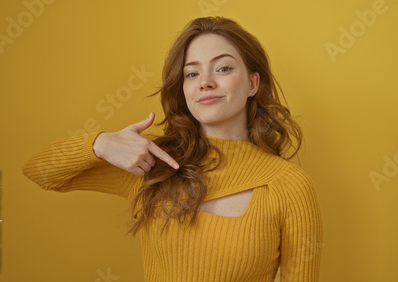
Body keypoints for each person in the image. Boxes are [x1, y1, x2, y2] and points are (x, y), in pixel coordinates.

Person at [23, 16, 323, 281]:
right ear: (183, 88)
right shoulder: (151, 162)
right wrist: (99, 144)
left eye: (223, 68)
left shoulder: (289, 186)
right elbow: (39, 171)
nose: (205, 82)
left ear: (252, 84)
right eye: (192, 73)